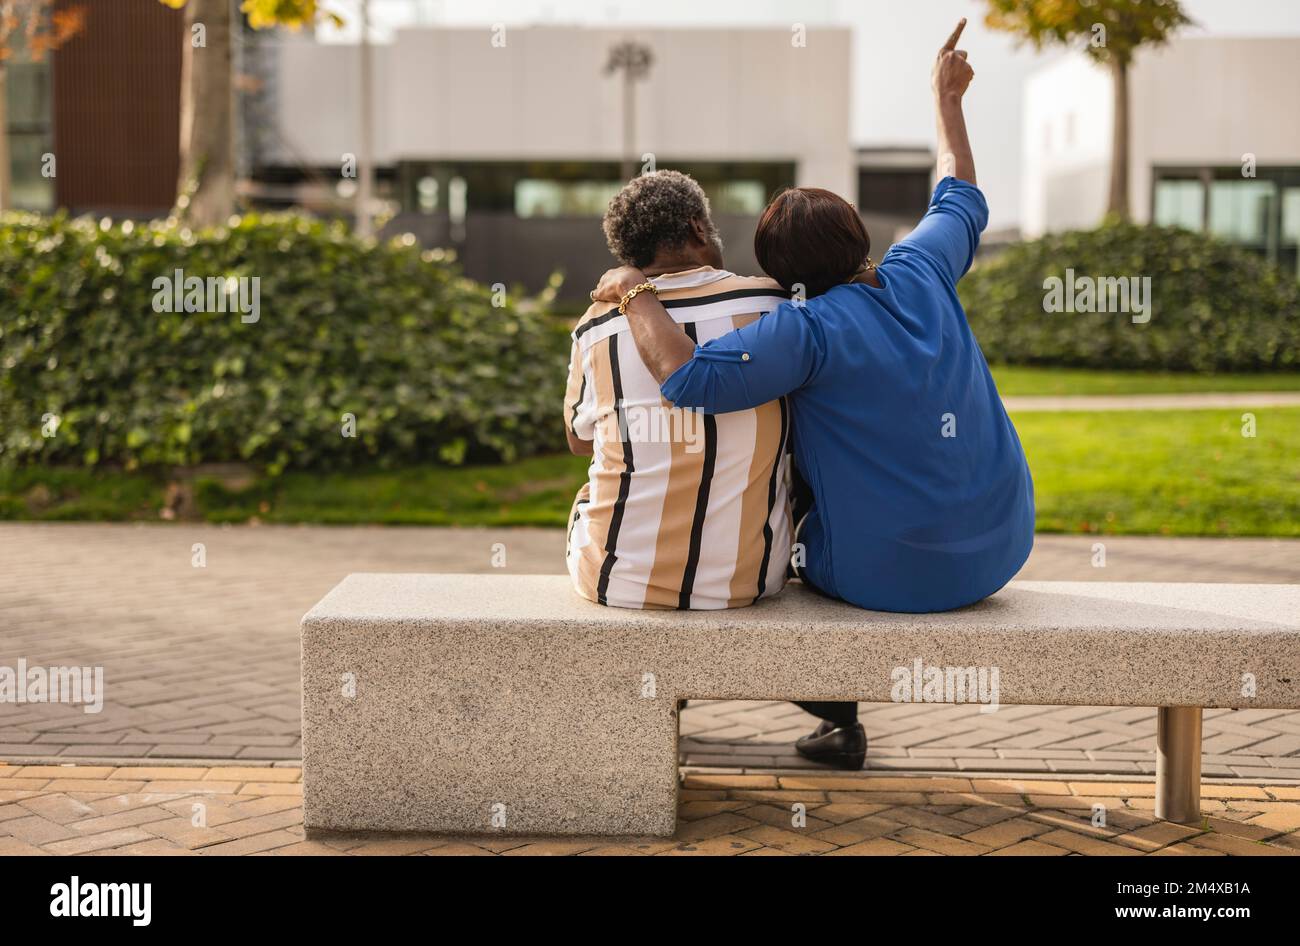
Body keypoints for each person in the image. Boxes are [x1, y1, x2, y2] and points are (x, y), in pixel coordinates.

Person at [590, 20, 1035, 770]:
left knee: (776, 526)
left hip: (888, 576)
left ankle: (792, 705)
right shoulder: (921, 267)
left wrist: (635, 295)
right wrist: (945, 96)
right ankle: (827, 721)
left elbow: (689, 379)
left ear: (780, 275)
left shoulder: (803, 330)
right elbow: (959, 185)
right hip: (1005, 544)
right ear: (860, 235)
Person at [564, 169, 793, 610]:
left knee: (590, 488)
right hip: (749, 581)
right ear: (697, 226)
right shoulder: (772, 304)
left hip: (614, 584)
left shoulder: (594, 327)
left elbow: (579, 439)